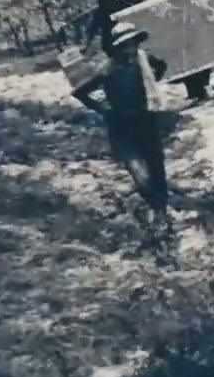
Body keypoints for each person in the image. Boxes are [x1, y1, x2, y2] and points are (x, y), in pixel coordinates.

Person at [73, 19, 172, 230]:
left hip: (146, 120)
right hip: (121, 126)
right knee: (139, 173)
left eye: (134, 43)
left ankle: (161, 212)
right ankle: (153, 203)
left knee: (156, 167)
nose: (131, 48)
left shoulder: (144, 60)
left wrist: (151, 85)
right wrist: (102, 109)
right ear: (117, 47)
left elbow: (162, 66)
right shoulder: (108, 69)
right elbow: (80, 92)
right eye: (126, 44)